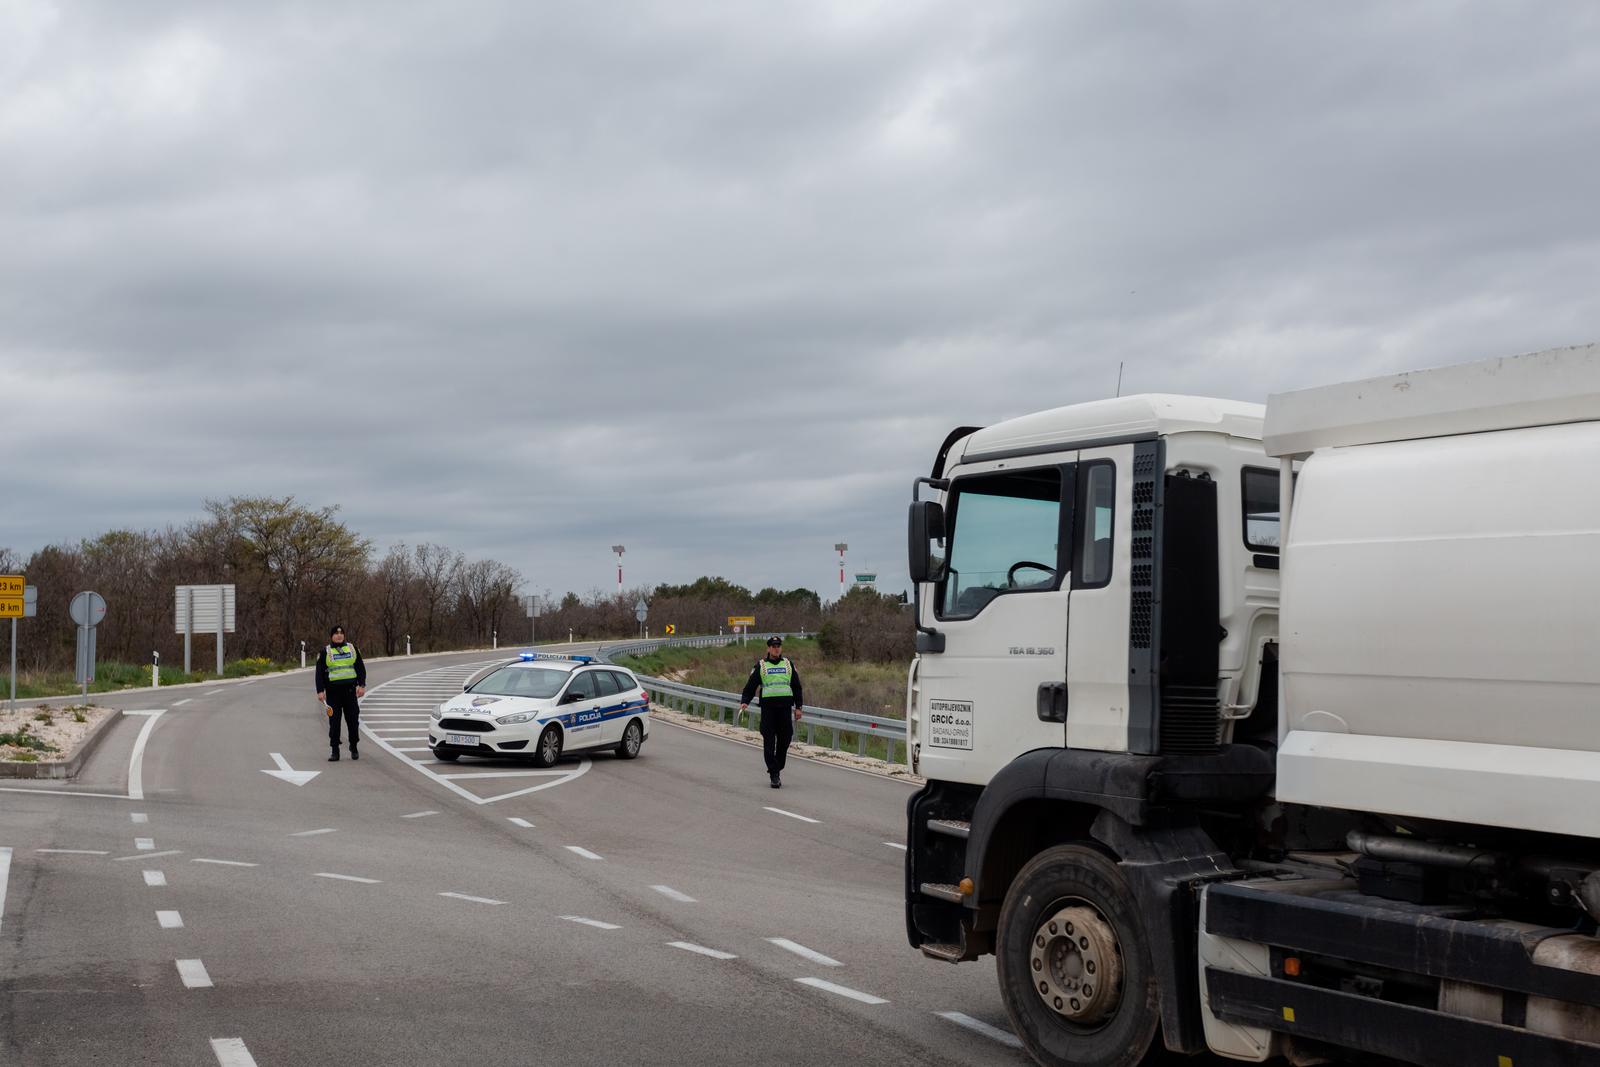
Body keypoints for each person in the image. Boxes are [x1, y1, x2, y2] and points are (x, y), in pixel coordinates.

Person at [739, 636, 804, 788]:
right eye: (773, 646)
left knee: (785, 739)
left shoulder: (788, 664)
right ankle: (774, 775)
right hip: (768, 710)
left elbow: (796, 687)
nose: (776, 648)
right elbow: (751, 686)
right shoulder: (761, 666)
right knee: (769, 742)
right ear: (768, 649)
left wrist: (799, 707)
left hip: (785, 709)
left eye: (778, 646)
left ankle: (777, 766)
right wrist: (745, 701)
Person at [315, 625, 367, 762]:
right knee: (334, 723)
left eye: (341, 633)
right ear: (331, 636)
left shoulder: (352, 648)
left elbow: (360, 668)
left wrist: (362, 685)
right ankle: (335, 751)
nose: (339, 635)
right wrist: (320, 691)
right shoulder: (325, 651)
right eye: (336, 633)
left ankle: (354, 746)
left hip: (350, 693)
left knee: (353, 722)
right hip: (333, 694)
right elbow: (319, 673)